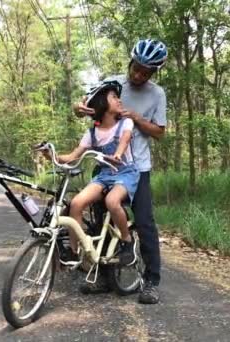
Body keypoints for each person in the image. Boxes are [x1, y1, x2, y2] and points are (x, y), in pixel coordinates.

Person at [73, 39, 168, 304]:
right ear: (130, 63)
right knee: (101, 217)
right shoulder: (113, 84)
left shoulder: (157, 94)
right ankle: (104, 276)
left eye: (145, 72)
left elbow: (160, 132)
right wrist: (78, 109)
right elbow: (86, 108)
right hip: (106, 166)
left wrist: (136, 117)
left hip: (138, 167)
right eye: (136, 68)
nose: (138, 75)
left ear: (153, 73)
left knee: (146, 222)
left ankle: (151, 281)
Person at [53, 80, 140, 266]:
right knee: (76, 203)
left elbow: (124, 141)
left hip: (125, 172)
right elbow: (72, 157)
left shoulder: (126, 123)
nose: (119, 100)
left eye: (118, 97)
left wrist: (117, 154)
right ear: (102, 103)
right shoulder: (92, 133)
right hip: (104, 175)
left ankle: (127, 241)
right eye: (114, 97)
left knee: (112, 201)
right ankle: (76, 251)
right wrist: (51, 155)